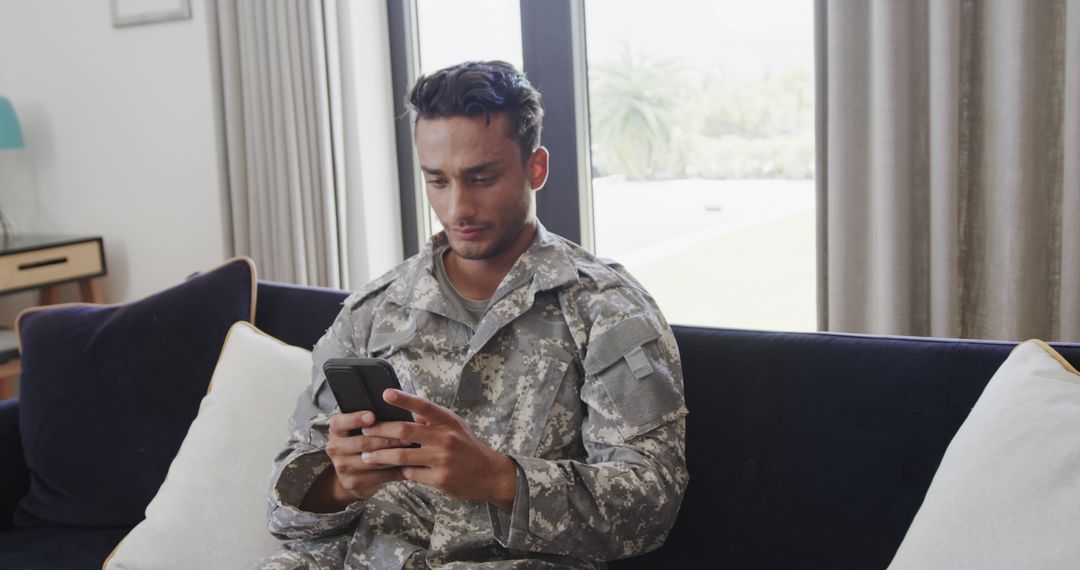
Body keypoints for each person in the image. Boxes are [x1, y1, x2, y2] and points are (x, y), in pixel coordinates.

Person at [258, 60, 688, 569]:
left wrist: (500, 478)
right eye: (436, 180)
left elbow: (651, 502)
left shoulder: (606, 309)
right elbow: (283, 514)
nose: (458, 207)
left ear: (536, 167)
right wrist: (339, 483)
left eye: (481, 178)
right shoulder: (371, 313)